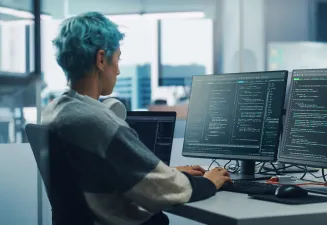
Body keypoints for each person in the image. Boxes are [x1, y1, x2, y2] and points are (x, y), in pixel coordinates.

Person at [41, 12, 232, 225]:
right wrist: (209, 182)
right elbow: (165, 191)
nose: (119, 70)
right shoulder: (97, 122)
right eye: (117, 58)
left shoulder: (56, 111)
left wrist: (167, 173)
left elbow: (97, 174)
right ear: (101, 59)